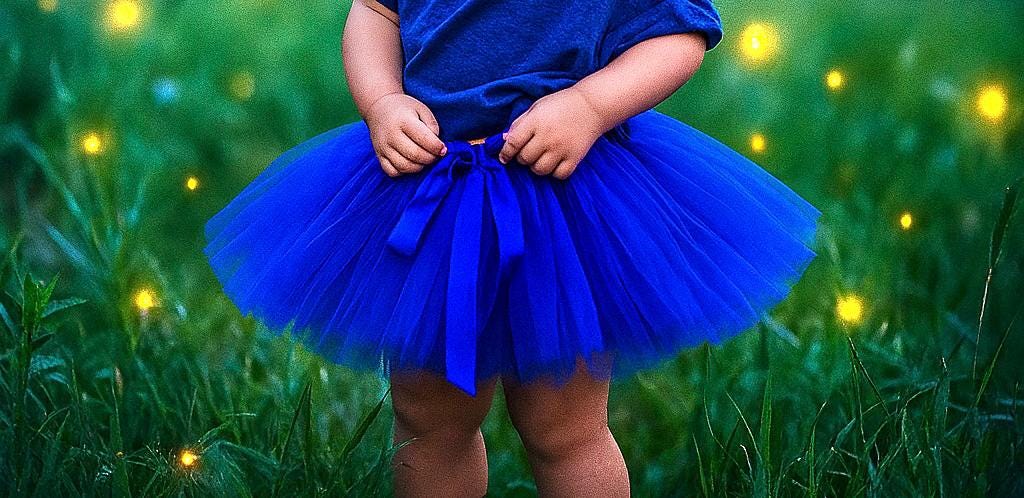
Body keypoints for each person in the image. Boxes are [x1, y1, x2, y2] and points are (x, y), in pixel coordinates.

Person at [203, 0, 822, 495]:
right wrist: (383, 101)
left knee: (564, 427)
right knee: (426, 419)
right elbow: (375, 11)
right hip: (431, 184)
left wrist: (590, 105)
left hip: (562, 194)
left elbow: (678, 31)